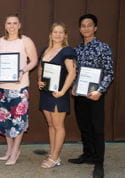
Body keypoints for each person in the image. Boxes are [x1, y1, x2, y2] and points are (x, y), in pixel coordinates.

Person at [68, 14, 114, 178]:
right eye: (83, 25)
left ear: (95, 28)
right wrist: (73, 85)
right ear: (80, 29)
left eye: (89, 25)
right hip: (80, 94)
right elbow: (75, 72)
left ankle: (99, 162)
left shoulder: (103, 47)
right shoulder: (77, 49)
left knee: (97, 129)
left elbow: (109, 73)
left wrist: (100, 91)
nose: (86, 28)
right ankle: (88, 154)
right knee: (84, 126)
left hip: (95, 95)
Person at [0, 14, 38, 165]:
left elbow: (34, 60)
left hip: (19, 87)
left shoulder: (25, 41)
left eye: (14, 23)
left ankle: (15, 151)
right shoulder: (0, 41)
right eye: (9, 23)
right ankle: (9, 149)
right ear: (5, 25)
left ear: (19, 25)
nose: (11, 26)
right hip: (2, 87)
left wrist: (22, 71)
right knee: (5, 119)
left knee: (18, 120)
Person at [37, 22, 76, 168]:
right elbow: (41, 68)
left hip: (58, 93)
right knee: (51, 125)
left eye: (61, 32)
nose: (58, 35)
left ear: (65, 35)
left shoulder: (67, 50)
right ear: (50, 34)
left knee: (58, 126)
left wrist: (63, 91)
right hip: (46, 92)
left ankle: (54, 158)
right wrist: (39, 81)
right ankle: (54, 153)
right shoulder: (45, 49)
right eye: (55, 32)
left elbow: (72, 73)